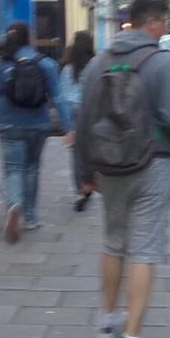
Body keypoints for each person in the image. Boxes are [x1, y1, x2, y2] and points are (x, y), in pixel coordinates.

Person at [77, 0, 170, 338]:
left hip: (108, 165)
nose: (165, 29)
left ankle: (108, 321)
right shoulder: (162, 62)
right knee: (145, 248)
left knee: (113, 241)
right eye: (164, 22)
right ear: (153, 22)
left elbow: (83, 119)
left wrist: (83, 173)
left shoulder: (98, 62)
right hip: (153, 162)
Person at [0, 21, 72, 244]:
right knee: (32, 169)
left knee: (13, 168)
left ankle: (15, 204)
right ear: (29, 38)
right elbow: (58, 98)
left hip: (9, 125)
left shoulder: (1, 66)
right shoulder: (46, 64)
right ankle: (31, 217)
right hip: (38, 125)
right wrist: (67, 127)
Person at [61, 31, 97, 212]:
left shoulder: (68, 69)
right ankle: (92, 182)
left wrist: (68, 127)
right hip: (93, 114)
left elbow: (63, 97)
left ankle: (80, 190)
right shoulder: (96, 66)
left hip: (75, 115)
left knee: (77, 156)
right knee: (94, 151)